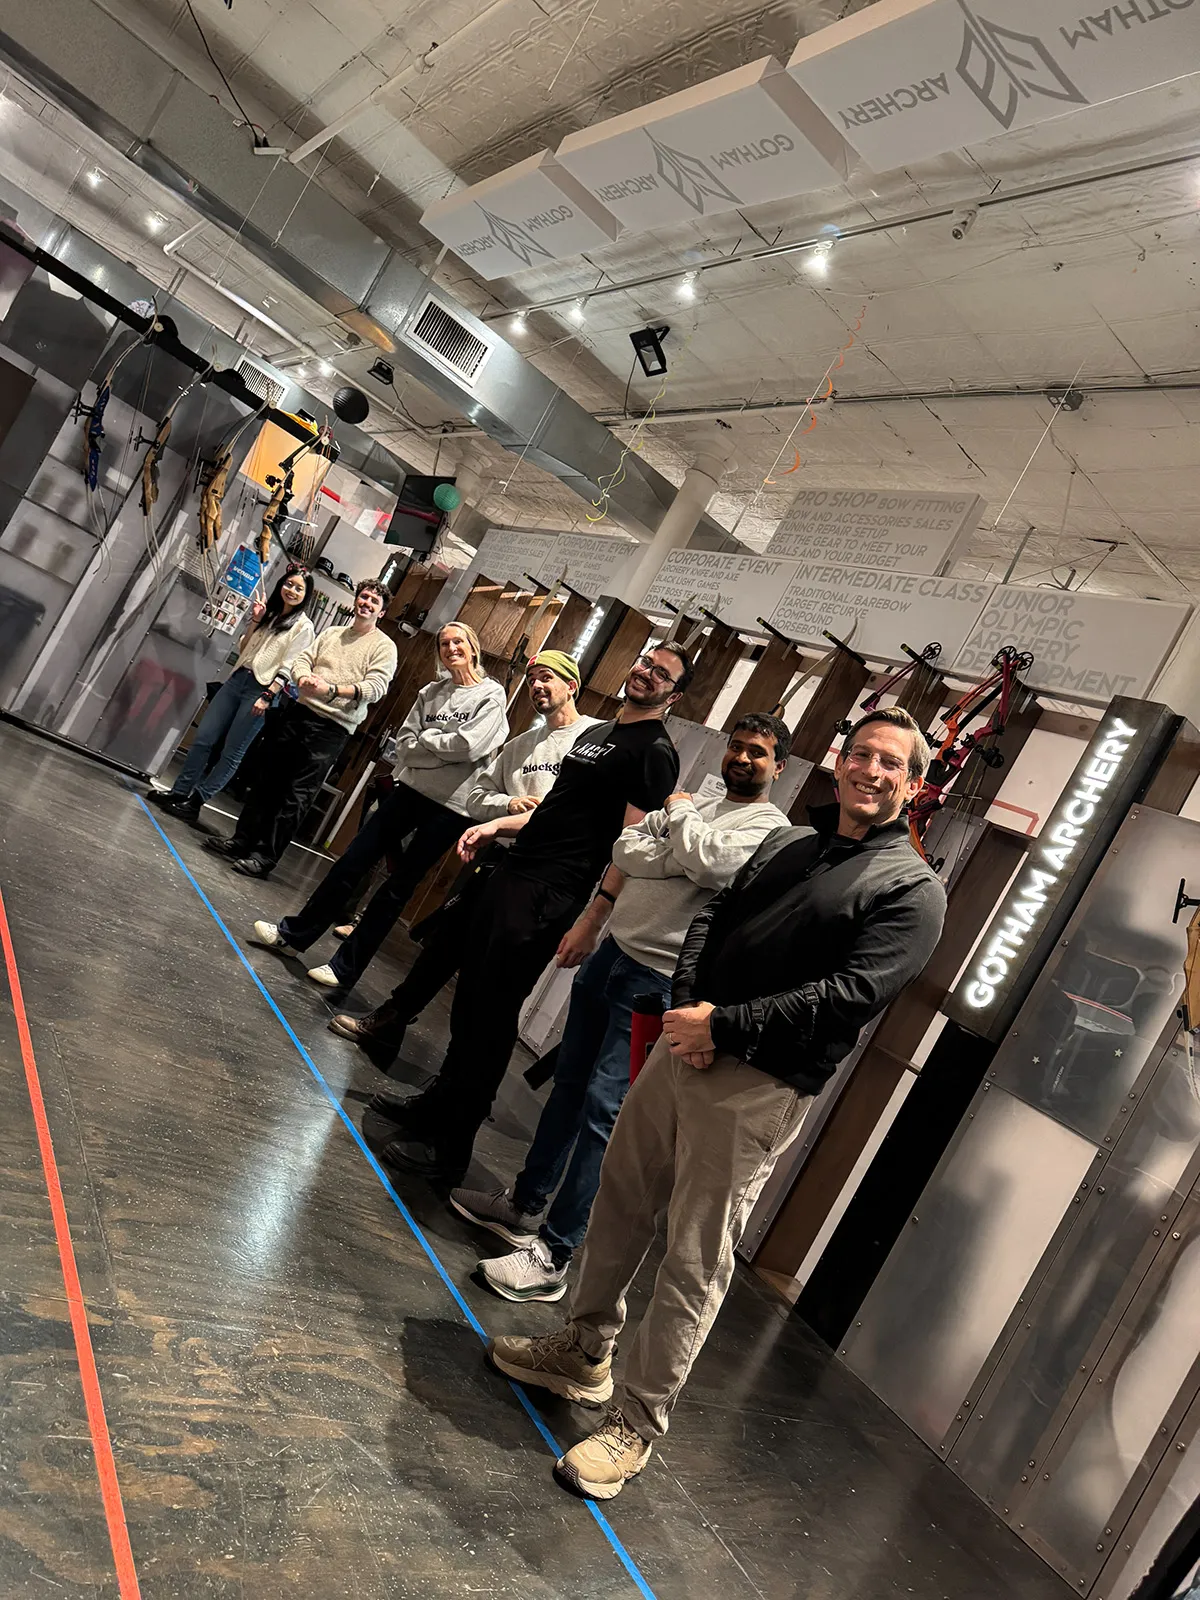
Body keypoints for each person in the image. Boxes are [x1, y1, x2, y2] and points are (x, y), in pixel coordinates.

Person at [487, 706, 947, 1500]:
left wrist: (722, 1025)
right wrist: (690, 1010)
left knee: (694, 1256)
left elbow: (849, 996)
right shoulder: (793, 842)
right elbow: (711, 918)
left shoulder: (911, 888)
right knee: (622, 1204)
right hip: (684, 1048)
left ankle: (636, 1422)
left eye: (890, 765)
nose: (871, 771)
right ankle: (583, 1351)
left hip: (757, 1084)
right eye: (861, 753)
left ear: (912, 785)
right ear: (840, 762)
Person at [452, 713, 794, 1303]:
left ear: (778, 767)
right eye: (735, 747)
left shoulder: (768, 825)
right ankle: (524, 1206)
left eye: (756, 753)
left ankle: (555, 1255)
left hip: (659, 984)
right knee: (567, 1086)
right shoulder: (703, 803)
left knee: (603, 1114)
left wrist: (678, 824)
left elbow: (711, 864)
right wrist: (677, 848)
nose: (741, 758)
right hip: (613, 954)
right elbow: (627, 846)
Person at [373, 643, 693, 1183]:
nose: (646, 674)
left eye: (661, 675)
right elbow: (553, 812)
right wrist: (497, 826)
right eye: (644, 663)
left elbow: (631, 844)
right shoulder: (596, 734)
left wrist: (594, 916)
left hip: (550, 894)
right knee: (470, 1004)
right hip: (514, 874)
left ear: (674, 694)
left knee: (493, 1018)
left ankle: (452, 1148)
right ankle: (437, 1106)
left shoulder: (653, 752)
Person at [327, 649, 599, 1060]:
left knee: (493, 984)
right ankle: (388, 1024)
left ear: (571, 685)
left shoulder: (592, 741)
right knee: (440, 949)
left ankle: (465, 1083)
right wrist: (507, 807)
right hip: (498, 865)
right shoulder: (522, 744)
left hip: (546, 879)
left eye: (547, 678)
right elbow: (476, 796)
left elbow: (575, 815)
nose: (537, 687)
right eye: (532, 680)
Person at [248, 621, 508, 990]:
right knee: (351, 862)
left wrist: (427, 744)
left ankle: (344, 968)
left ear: (474, 647)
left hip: (450, 807)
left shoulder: (491, 696)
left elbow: (470, 746)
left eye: (458, 642)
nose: (451, 649)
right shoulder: (430, 692)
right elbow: (405, 744)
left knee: (397, 888)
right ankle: (294, 937)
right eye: (444, 643)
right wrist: (437, 749)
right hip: (409, 791)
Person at [204, 578, 397, 879]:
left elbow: (375, 688)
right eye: (364, 597)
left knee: (296, 795)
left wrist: (331, 688)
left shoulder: (384, 647)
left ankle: (263, 857)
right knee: (267, 781)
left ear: (382, 612)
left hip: (332, 727)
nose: (367, 603)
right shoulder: (333, 633)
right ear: (356, 600)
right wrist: (304, 677)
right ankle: (240, 841)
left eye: (374, 601)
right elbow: (303, 659)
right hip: (299, 712)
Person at [148, 565, 315, 821]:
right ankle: (180, 791)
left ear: (307, 595)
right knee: (204, 737)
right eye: (289, 584)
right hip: (237, 679)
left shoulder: (303, 627)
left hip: (262, 690)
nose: (292, 591)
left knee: (232, 751)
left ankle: (196, 801)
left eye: (299, 588)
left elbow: (290, 665)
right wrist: (257, 620)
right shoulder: (270, 614)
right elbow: (245, 647)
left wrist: (268, 696)